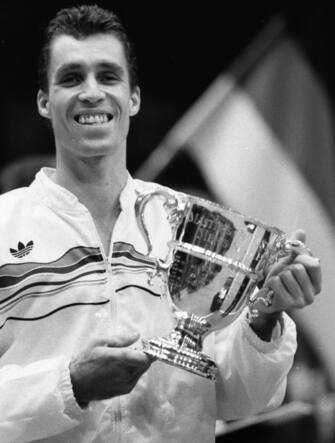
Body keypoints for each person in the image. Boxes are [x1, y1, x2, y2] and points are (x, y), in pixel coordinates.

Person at [0, 4, 321, 443]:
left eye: (108, 76)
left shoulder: (193, 225)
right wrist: (71, 382)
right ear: (43, 101)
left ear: (133, 98)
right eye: (71, 78)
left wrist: (265, 315)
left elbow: (240, 397)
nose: (91, 92)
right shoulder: (5, 225)